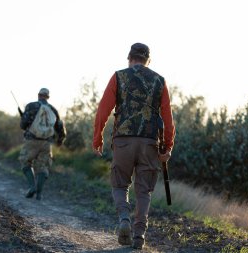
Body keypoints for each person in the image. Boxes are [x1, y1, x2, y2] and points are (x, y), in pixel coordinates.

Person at [92, 43, 175, 249]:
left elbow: (103, 110)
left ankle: (124, 219)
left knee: (120, 185)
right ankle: (139, 236)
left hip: (123, 140)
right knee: (144, 191)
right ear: (149, 60)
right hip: (149, 143)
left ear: (129, 58)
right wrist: (167, 147)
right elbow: (167, 119)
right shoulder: (159, 80)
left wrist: (98, 138)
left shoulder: (119, 76)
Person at [19, 88, 66, 200]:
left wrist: (23, 118)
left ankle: (32, 186)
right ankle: (39, 193)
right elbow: (60, 128)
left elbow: (23, 125)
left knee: (25, 162)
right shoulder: (53, 110)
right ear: (48, 97)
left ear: (39, 95)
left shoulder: (31, 106)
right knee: (43, 167)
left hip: (31, 141)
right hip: (46, 143)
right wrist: (60, 142)